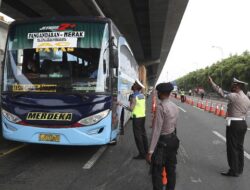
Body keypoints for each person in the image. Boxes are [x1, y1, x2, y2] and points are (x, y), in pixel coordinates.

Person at [208, 76, 250, 177]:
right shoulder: (247, 98)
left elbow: (221, 92)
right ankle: (239, 169)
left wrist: (212, 82)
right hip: (243, 124)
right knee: (239, 147)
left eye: (234, 85)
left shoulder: (234, 96)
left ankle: (233, 170)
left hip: (234, 125)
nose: (232, 86)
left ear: (238, 86)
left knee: (232, 148)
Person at [146, 82, 180, 190]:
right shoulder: (175, 106)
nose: (157, 94)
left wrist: (150, 151)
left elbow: (156, 131)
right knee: (171, 170)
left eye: (158, 92)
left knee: (157, 171)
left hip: (162, 143)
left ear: (161, 93)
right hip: (173, 140)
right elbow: (174, 126)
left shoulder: (161, 107)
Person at [119, 79, 148, 159]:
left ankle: (142, 154)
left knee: (138, 136)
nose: (132, 85)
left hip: (137, 119)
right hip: (143, 117)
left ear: (136, 87)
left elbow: (131, 109)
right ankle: (146, 151)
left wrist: (122, 104)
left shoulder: (134, 97)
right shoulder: (142, 95)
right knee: (143, 134)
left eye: (134, 84)